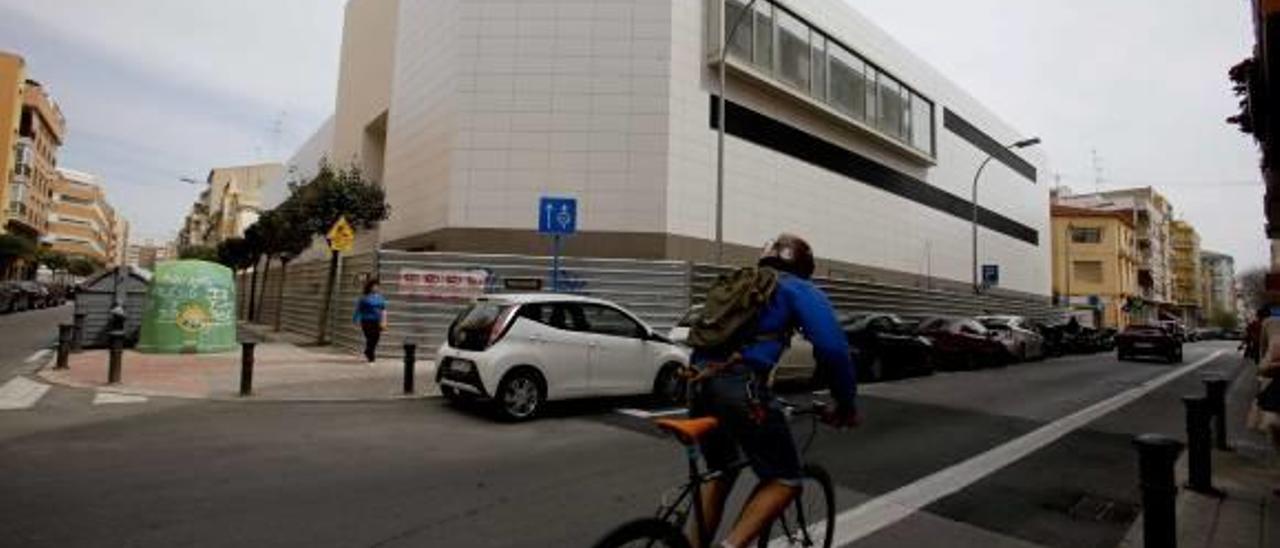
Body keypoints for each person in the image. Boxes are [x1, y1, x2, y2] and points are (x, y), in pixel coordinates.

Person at [689, 234, 859, 548]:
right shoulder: (798, 289)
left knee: (720, 471)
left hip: (698, 383)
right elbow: (834, 350)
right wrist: (846, 404)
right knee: (786, 478)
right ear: (805, 267)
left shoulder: (745, 283)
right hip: (741, 388)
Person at [353, 279, 388, 363]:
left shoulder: (380, 297)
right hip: (366, 321)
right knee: (370, 337)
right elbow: (358, 309)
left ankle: (368, 351)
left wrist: (384, 321)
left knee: (376, 337)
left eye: (377, 286)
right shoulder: (364, 298)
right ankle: (371, 355)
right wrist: (356, 320)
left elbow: (383, 309)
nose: (376, 288)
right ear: (370, 287)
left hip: (377, 321)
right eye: (374, 286)